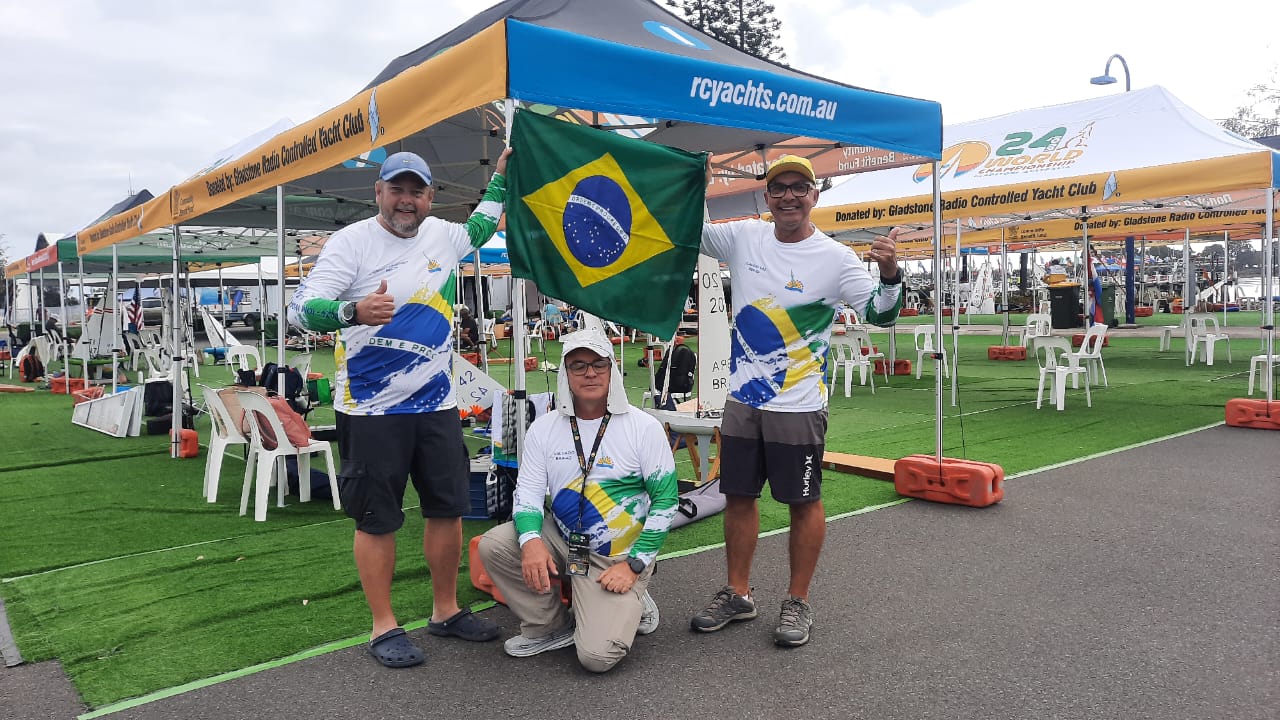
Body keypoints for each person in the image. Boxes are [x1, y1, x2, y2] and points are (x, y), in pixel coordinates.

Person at [287, 148, 511, 668]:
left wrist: (500, 176)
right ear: (379, 193)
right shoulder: (352, 242)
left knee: (448, 509)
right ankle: (383, 625)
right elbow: (300, 309)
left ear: (430, 197)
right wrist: (351, 311)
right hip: (371, 411)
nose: (406, 200)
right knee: (377, 519)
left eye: (416, 191)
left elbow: (481, 226)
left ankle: (445, 610)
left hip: (436, 404)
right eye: (397, 190)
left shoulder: (445, 236)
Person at [690, 154, 904, 647]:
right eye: (779, 188)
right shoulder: (744, 237)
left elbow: (881, 315)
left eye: (799, 187)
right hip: (743, 400)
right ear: (766, 196)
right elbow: (690, 233)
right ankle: (738, 593)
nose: (789, 196)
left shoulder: (835, 258)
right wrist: (694, 185)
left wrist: (890, 273)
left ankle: (798, 602)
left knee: (803, 502)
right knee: (738, 496)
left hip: (799, 406)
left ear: (814, 195)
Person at [477, 330, 678, 672]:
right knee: (495, 545)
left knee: (597, 658)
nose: (590, 373)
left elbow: (666, 501)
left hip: (619, 557)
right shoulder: (544, 429)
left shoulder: (643, 427)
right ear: (565, 373)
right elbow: (527, 494)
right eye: (579, 365)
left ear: (612, 370)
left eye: (599, 364)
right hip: (566, 539)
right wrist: (530, 541)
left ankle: (635, 594)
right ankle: (549, 627)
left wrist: (634, 564)